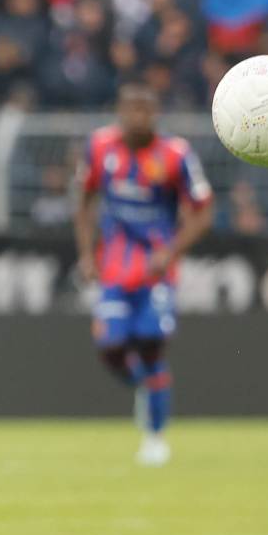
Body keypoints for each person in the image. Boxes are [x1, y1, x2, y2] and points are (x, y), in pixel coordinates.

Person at [74, 82, 214, 467]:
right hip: (114, 266)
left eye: (144, 109)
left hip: (155, 268)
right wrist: (86, 254)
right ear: (119, 112)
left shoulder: (176, 154)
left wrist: (171, 251)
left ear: (156, 114)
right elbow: (83, 200)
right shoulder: (99, 147)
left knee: (151, 344)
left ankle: (155, 437)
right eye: (130, 109)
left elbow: (203, 211)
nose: (137, 117)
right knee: (111, 347)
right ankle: (144, 389)